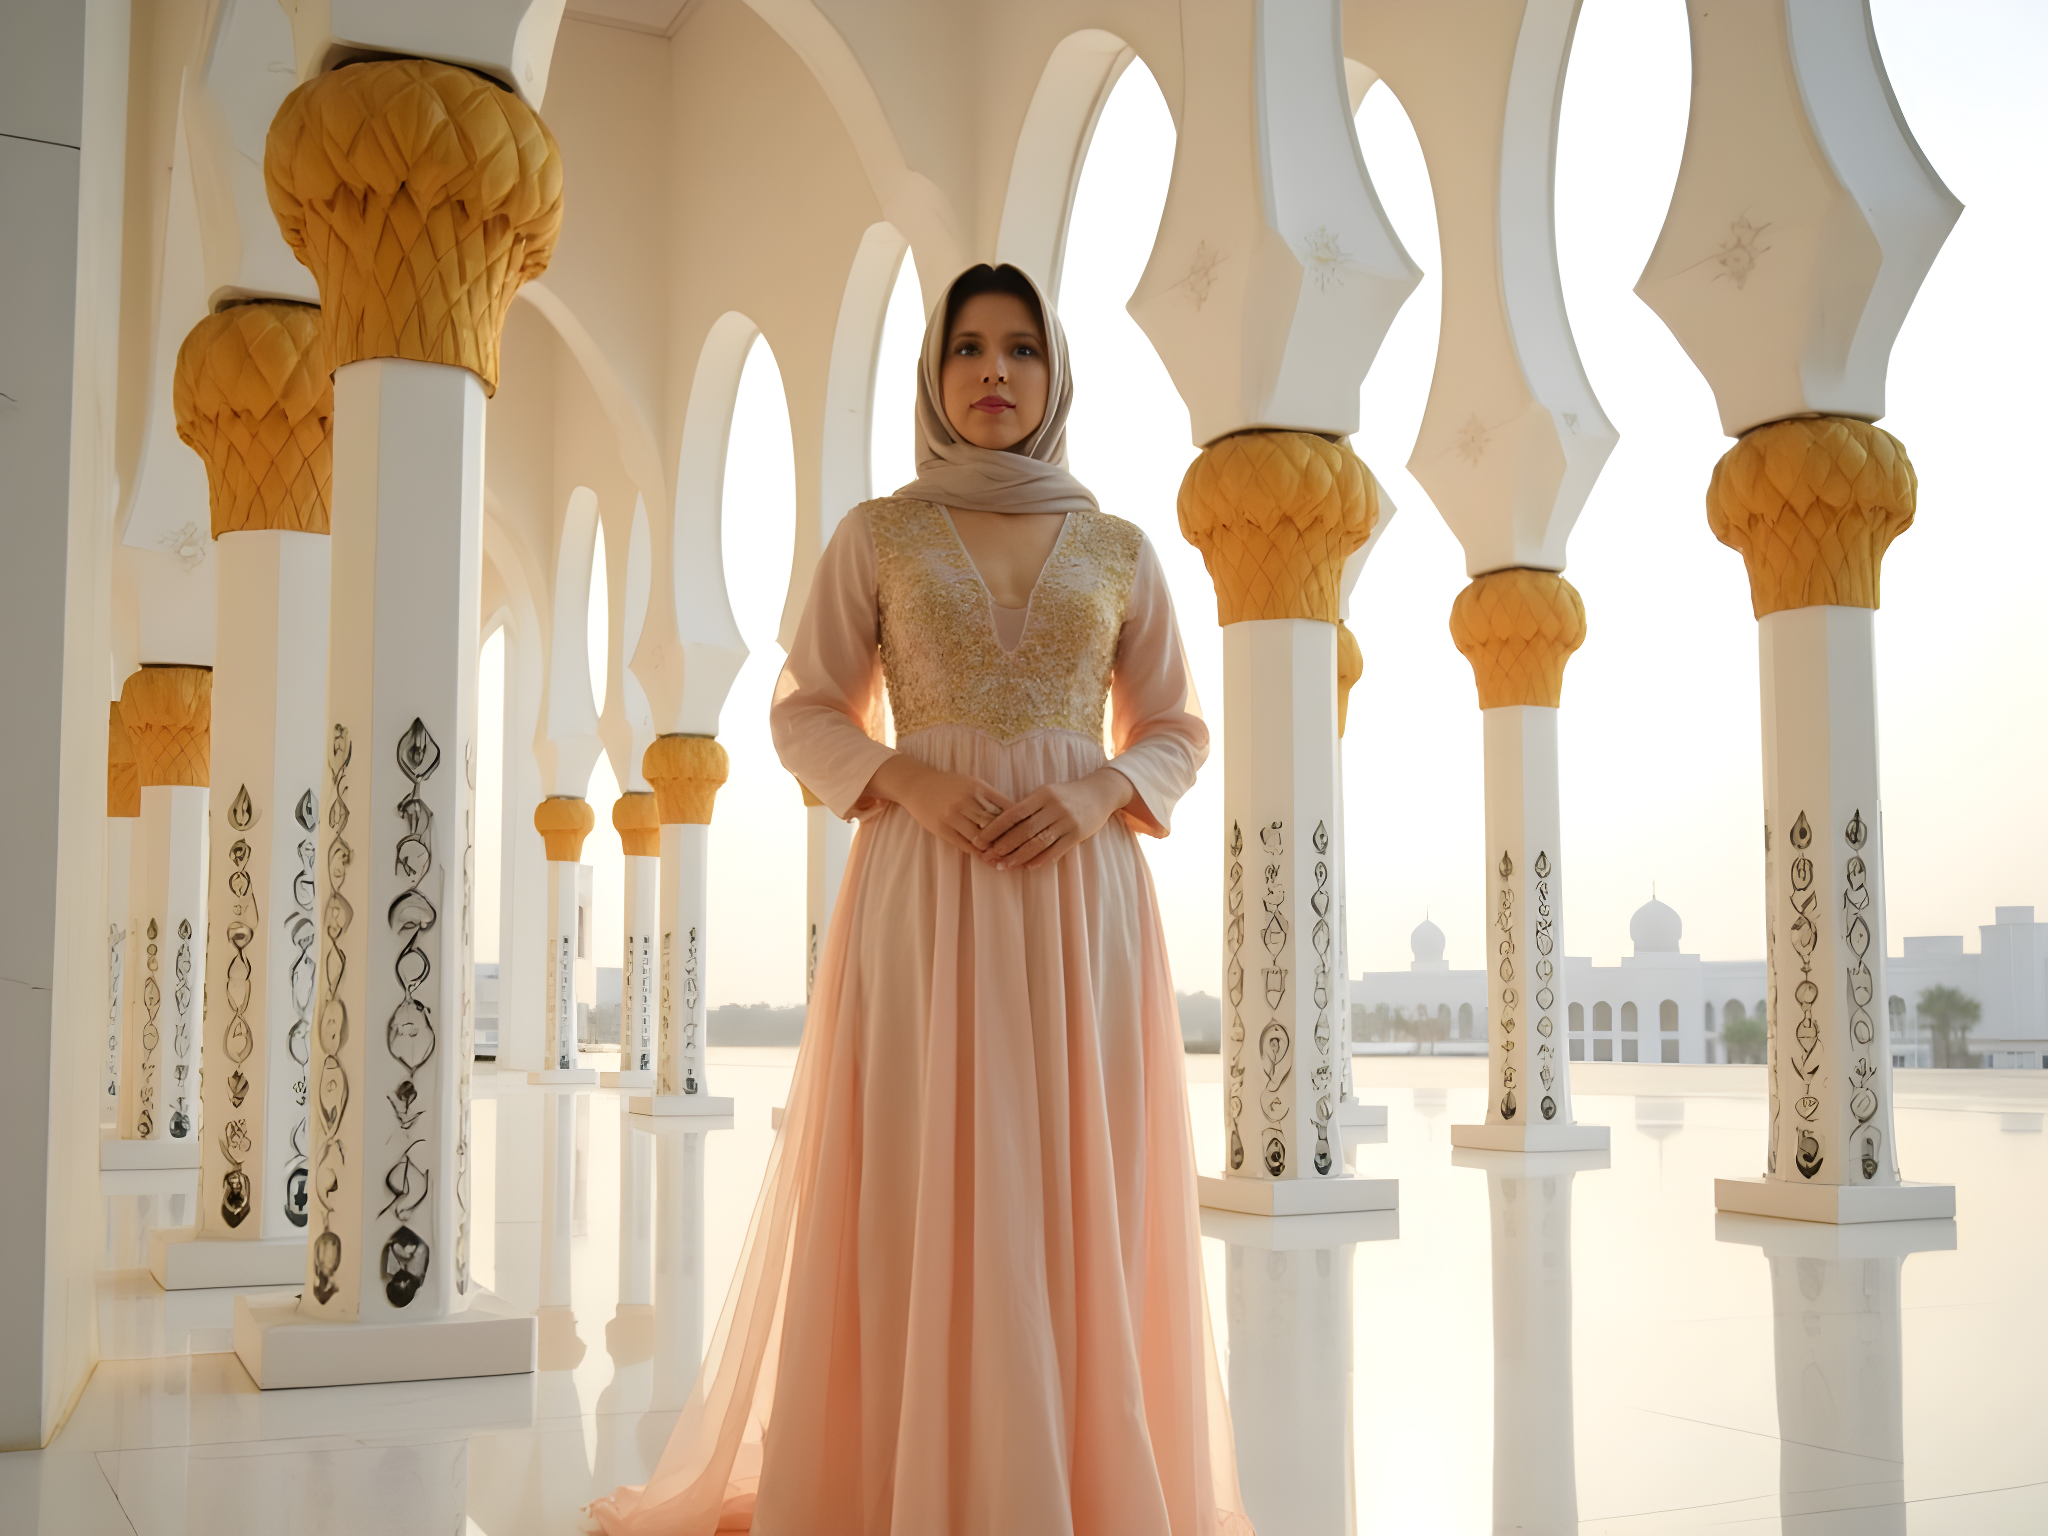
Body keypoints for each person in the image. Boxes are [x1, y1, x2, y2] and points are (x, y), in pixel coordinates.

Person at [591, 264, 1251, 1535]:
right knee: (918, 1175)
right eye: (966, 350)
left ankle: (1073, 1482)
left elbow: (1175, 723)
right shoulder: (877, 536)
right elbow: (799, 710)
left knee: (1074, 1189)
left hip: (1079, 907)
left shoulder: (1118, 548)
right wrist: (905, 777)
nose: (991, 373)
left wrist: (1097, 790)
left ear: (1053, 376)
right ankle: (915, 1482)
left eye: (1018, 350)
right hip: (921, 896)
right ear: (935, 377)